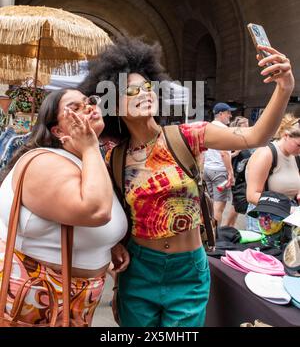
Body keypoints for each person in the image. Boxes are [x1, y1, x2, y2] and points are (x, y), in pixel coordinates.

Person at [80, 36, 294, 327]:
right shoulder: (114, 159)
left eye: (147, 86)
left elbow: (254, 137)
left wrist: (284, 88)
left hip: (188, 271)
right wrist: (115, 246)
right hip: (139, 270)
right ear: (114, 104)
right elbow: (111, 214)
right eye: (131, 89)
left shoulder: (187, 136)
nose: (144, 93)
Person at [0, 88, 129, 327]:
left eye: (88, 102)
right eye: (75, 108)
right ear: (58, 131)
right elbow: (95, 211)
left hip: (76, 304)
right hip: (36, 303)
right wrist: (90, 146)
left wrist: (107, 244)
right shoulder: (45, 161)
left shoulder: (87, 161)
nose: (89, 107)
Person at [246, 113, 300, 208]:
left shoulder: (295, 156)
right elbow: (252, 196)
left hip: (288, 212)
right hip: (265, 214)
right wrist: (286, 207)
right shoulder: (266, 154)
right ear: (286, 136)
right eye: (298, 145)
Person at [203, 103, 236, 226]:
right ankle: (215, 237)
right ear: (221, 114)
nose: (230, 116)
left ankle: (208, 234)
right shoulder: (223, 129)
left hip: (208, 170)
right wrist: (230, 173)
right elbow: (223, 153)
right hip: (219, 172)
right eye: (228, 113)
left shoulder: (207, 127)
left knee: (210, 204)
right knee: (219, 207)